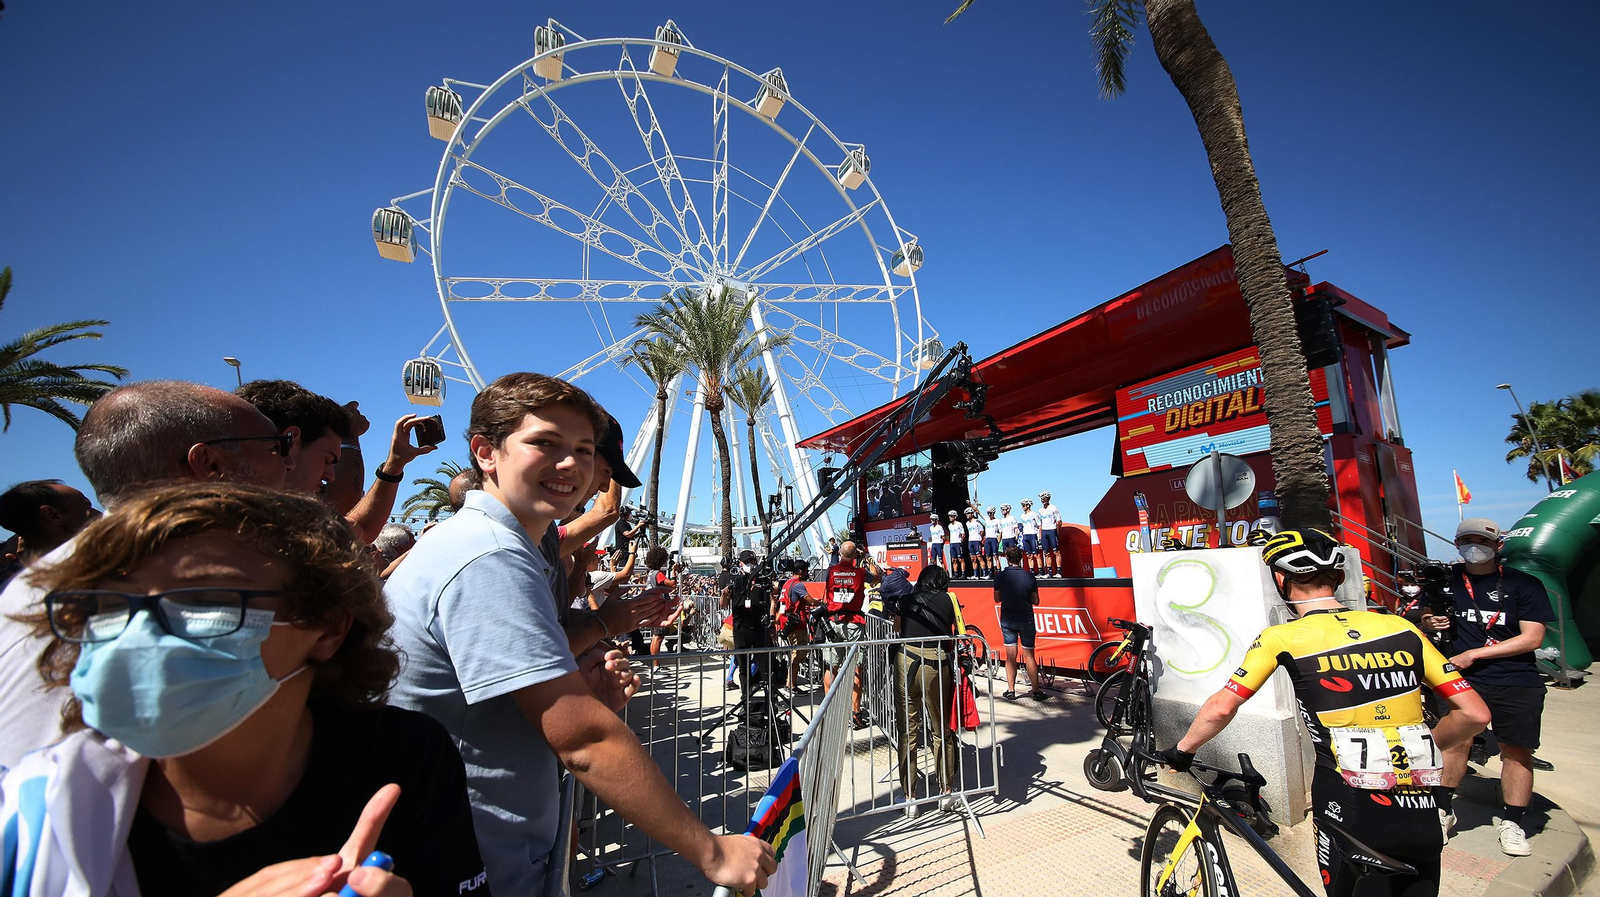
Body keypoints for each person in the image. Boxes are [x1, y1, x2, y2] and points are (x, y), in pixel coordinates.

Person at [384, 372, 773, 896]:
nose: (571, 464)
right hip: (469, 858)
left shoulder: (503, 547)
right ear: (485, 452)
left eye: (585, 450)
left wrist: (580, 687)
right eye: (545, 443)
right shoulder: (487, 558)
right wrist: (713, 851)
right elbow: (582, 738)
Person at [3, 481, 487, 897]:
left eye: (201, 600)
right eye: (107, 605)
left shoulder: (401, 756)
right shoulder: (31, 819)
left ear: (326, 627)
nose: (139, 634)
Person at [1157, 529, 1491, 897]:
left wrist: (1183, 749)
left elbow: (1222, 707)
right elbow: (1475, 714)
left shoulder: (1281, 637)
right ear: (1341, 576)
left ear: (1281, 579)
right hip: (1421, 800)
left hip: (1347, 799)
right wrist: (1421, 748)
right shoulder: (1401, 627)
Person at [0, 380, 295, 769]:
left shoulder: (39, 586)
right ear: (210, 465)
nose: (287, 464)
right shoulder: (182, 587)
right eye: (276, 447)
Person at [1420, 518, 1555, 856]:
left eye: (1481, 539)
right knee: (1455, 743)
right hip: (1462, 680)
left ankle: (1512, 822)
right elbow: (1419, 615)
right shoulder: (1445, 580)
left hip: (1516, 680)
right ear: (1456, 544)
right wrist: (1428, 620)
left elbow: (1532, 638)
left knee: (1516, 750)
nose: (1473, 545)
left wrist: (1475, 653)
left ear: (1499, 545)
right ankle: (1442, 811)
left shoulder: (1525, 584)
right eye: (1466, 539)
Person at [237, 381, 437, 544]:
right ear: (291, 440)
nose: (330, 475)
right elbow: (347, 514)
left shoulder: (261, 518)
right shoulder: (260, 529)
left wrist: (394, 464)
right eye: (327, 459)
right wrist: (350, 437)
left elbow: (360, 528)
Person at [893, 564, 962, 817]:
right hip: (937, 661)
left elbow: (898, 629)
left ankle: (910, 797)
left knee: (907, 730)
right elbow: (956, 629)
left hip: (907, 660)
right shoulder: (949, 599)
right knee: (941, 728)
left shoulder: (906, 598)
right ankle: (946, 791)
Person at [823, 541, 882, 729]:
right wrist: (866, 556)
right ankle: (855, 713)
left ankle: (829, 711)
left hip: (834, 622)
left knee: (831, 666)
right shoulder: (860, 572)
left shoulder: (831, 571)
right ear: (855, 555)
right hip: (854, 623)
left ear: (839, 553)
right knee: (857, 669)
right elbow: (878, 577)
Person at [0, 480, 98, 582]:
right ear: (52, 515)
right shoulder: (95, 576)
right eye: (86, 507)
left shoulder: (14, 584)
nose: (99, 514)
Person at [993, 545, 1045, 701]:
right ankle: (1036, 691)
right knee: (1029, 655)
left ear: (1007, 559)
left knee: (1010, 656)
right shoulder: (1029, 576)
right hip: (1026, 618)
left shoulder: (1000, 576)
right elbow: (1036, 601)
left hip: (1008, 618)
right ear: (1020, 558)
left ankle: (1011, 690)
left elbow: (996, 599)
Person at [722, 549, 776, 695]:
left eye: (752, 562)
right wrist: (724, 594)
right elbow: (723, 604)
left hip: (760, 627)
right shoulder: (736, 579)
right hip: (741, 628)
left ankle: (769, 694)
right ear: (740, 563)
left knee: (765, 662)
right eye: (746, 562)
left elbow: (772, 600)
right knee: (743, 664)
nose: (750, 565)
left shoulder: (762, 580)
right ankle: (746, 694)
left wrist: (771, 622)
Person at [776, 561, 818, 690]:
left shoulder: (787, 583)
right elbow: (809, 600)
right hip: (796, 624)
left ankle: (791, 682)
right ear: (800, 571)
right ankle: (791, 684)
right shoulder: (798, 585)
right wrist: (820, 603)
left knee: (796, 653)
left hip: (787, 622)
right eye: (805, 570)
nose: (807, 573)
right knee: (798, 654)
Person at [1037, 491, 1062, 578]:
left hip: (1052, 530)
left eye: (1044, 498)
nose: (1042, 500)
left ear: (1048, 498)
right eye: (1041, 499)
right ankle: (1049, 572)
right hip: (1044, 531)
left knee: (1056, 552)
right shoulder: (1040, 510)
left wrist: (1057, 532)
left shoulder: (1053, 508)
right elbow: (1040, 524)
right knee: (1046, 553)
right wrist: (1040, 537)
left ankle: (1059, 572)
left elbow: (1059, 521)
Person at [963, 507, 989, 578]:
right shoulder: (967, 523)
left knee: (979, 557)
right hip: (970, 541)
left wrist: (980, 539)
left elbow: (982, 531)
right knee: (973, 558)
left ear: (972, 513)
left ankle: (985, 574)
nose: (967, 515)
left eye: (968, 513)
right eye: (966, 514)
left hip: (977, 541)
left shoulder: (977, 521)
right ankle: (975, 575)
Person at [1018, 499, 1041, 574]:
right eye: (1022, 506)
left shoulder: (1034, 514)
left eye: (1023, 505)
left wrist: (1039, 537)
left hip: (1032, 535)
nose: (1022, 507)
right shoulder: (1022, 516)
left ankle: (1041, 571)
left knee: (1036, 555)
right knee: (1029, 555)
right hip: (1025, 535)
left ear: (1028, 505)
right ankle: (1031, 572)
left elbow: (1039, 526)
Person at [945, 510, 966, 579]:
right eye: (949, 516)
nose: (950, 517)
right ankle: (955, 574)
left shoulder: (959, 524)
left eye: (951, 516)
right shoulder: (949, 526)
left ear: (954, 517)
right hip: (952, 543)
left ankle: (963, 574)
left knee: (960, 559)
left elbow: (963, 534)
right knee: (953, 560)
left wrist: (961, 542)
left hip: (958, 543)